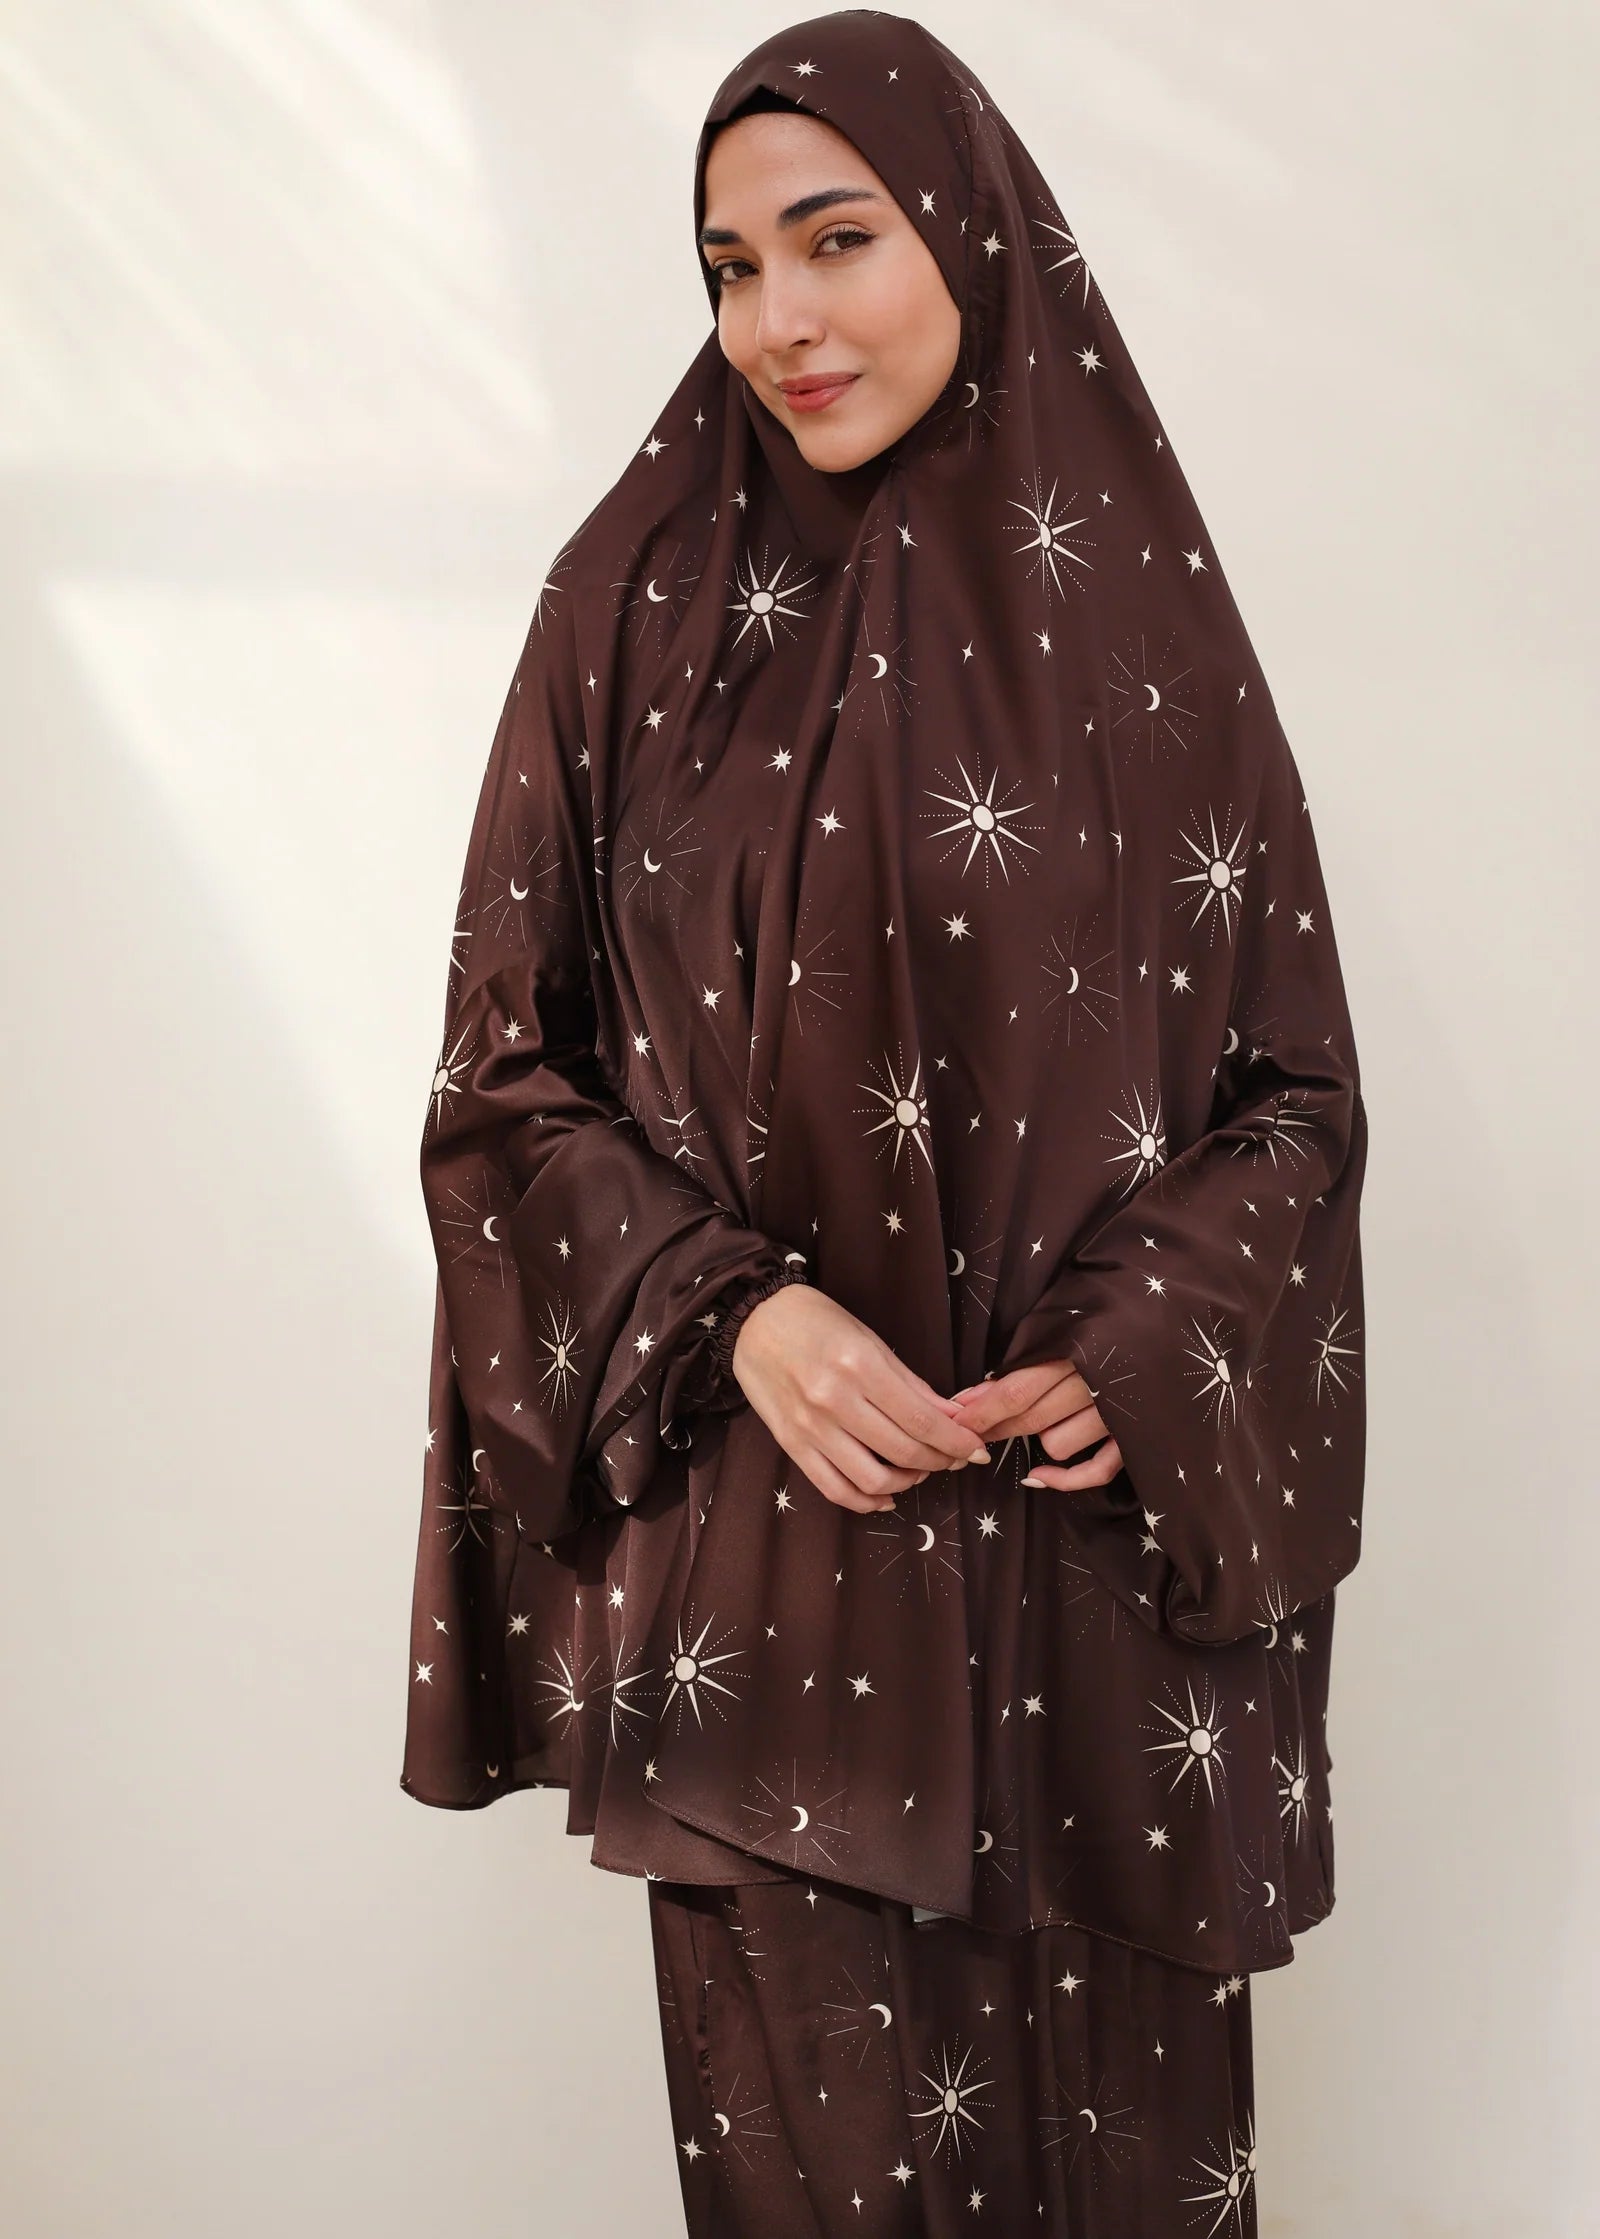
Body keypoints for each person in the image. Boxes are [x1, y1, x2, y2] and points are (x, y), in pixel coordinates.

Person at [400, 12, 1370, 2234]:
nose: (781, 318)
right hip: (776, 1598)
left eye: (835, 239)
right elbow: (499, 1081)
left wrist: (1153, 1339)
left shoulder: (1143, 620)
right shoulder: (628, 612)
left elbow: (1293, 1098)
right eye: (730, 266)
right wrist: (731, 1315)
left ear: (970, 230)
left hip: (1099, 1599)